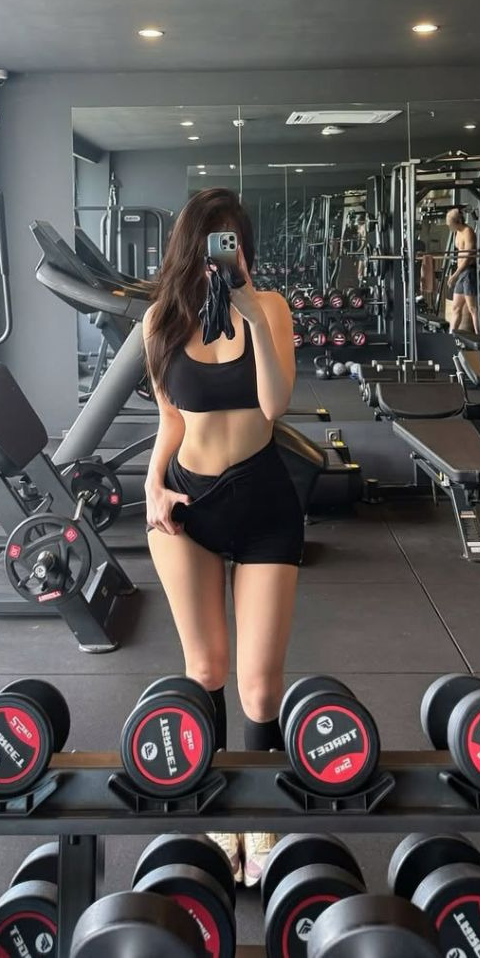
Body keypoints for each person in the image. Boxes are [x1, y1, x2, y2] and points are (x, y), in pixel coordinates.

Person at [142, 187, 300, 887]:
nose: (223, 254)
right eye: (213, 241)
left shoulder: (271, 308)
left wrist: (250, 312)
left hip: (263, 500)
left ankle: (260, 816)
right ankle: (216, 809)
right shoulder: (160, 320)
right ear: (190, 248)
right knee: (205, 668)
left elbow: (274, 404)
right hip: (189, 506)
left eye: (233, 241)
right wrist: (152, 484)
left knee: (260, 690)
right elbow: (170, 422)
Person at [445, 207, 479, 335]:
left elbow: (468, 257)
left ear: (458, 221)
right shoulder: (457, 232)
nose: (449, 227)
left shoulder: (468, 232)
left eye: (450, 224)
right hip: (461, 273)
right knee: (455, 307)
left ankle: (479, 337)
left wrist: (455, 275)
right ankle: (451, 336)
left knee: (472, 308)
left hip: (468, 272)